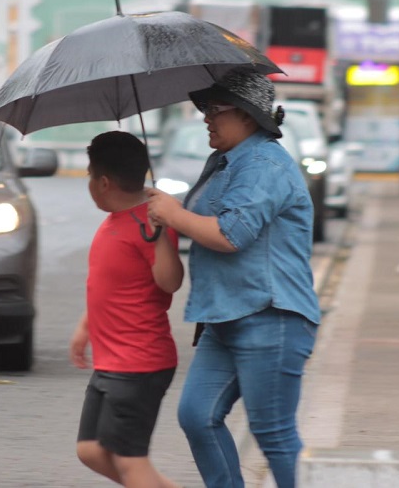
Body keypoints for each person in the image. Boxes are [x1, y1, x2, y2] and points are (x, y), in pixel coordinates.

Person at [146, 66, 320, 488]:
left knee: (273, 433)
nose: (205, 116)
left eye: (215, 108)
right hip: (225, 318)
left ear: (246, 114)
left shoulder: (264, 163)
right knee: (197, 416)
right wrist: (165, 221)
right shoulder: (225, 162)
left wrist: (174, 213)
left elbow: (231, 234)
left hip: (271, 316)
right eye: (203, 108)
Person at [69, 130, 184, 488]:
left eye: (90, 176)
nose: (89, 184)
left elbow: (170, 282)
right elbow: (112, 285)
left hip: (139, 362)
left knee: (130, 462)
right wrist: (86, 326)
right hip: (112, 361)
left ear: (103, 182)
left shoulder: (150, 222)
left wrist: (163, 232)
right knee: (90, 450)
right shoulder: (115, 221)